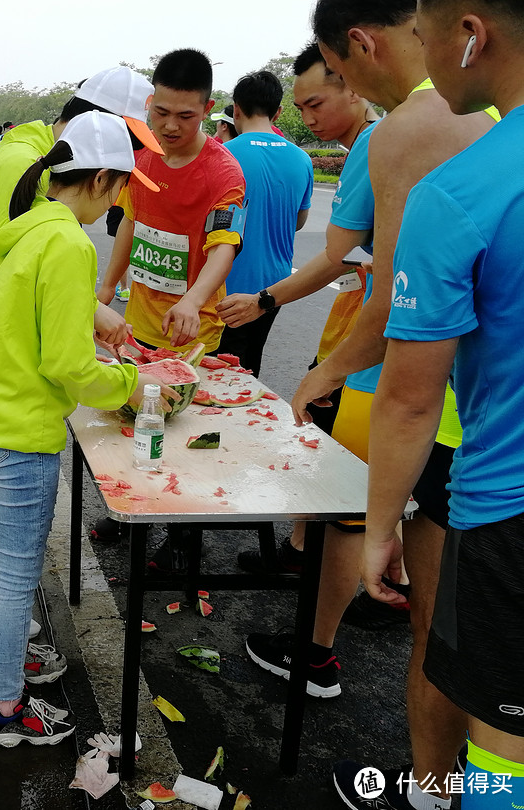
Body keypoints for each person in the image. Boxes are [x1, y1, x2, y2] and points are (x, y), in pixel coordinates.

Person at [268, 3, 495, 808]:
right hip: (489, 426)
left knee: (442, 635)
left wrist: (316, 377)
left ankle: (434, 790)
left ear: (357, 50)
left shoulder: (411, 128)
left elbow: (399, 330)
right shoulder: (495, 123)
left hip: (460, 433)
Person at [0, 66, 162, 635]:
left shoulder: (37, 157)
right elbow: (22, 269)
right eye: (127, 150)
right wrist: (95, 344)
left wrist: (93, 316)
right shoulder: (26, 166)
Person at [0, 110, 166, 746]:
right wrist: (135, 386)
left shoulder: (23, 232)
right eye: (121, 185)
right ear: (100, 178)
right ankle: (6, 712)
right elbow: (66, 365)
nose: (121, 200)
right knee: (15, 574)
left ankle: (0, 673)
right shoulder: (69, 243)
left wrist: (96, 327)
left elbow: (21, 327)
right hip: (18, 435)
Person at [363, 2, 524, 808]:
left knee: (506, 730)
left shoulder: (460, 191)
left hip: (507, 512)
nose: (423, 58)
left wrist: (378, 529)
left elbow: (407, 401)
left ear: (473, 32)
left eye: (424, 37)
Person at [219, 42, 383, 585]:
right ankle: (300, 543)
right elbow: (303, 222)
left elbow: (339, 252)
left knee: (334, 446)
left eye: (315, 104)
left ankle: (348, 567)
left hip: (248, 296)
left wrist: (259, 296)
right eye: (301, 108)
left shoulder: (374, 144)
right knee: (260, 387)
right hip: (293, 293)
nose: (309, 118)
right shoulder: (299, 156)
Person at [97, 49, 245, 356]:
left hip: (192, 328)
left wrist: (192, 301)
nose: (170, 126)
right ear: (149, 103)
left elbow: (224, 245)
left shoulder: (224, 173)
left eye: (185, 116)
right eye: (161, 113)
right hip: (137, 324)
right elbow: (130, 221)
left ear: (207, 109)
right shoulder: (139, 156)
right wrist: (110, 284)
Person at [215, 70, 313, 377]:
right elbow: (298, 221)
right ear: (279, 112)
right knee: (249, 366)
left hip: (226, 284)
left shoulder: (223, 155)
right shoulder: (302, 159)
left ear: (237, 109)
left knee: (219, 370)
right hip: (275, 287)